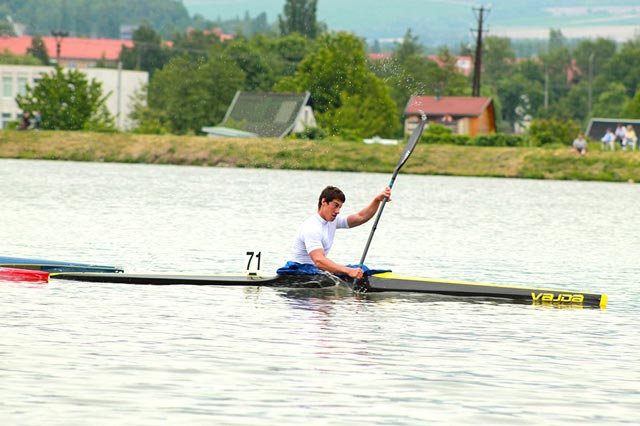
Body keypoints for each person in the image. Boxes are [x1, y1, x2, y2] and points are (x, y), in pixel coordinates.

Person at [288, 185, 391, 280]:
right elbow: (319, 260)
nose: (337, 211)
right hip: (300, 271)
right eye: (335, 205)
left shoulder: (332, 221)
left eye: (340, 207)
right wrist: (348, 271)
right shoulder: (312, 227)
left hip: (315, 270)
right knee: (351, 271)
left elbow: (361, 217)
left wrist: (377, 200)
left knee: (361, 268)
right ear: (323, 202)